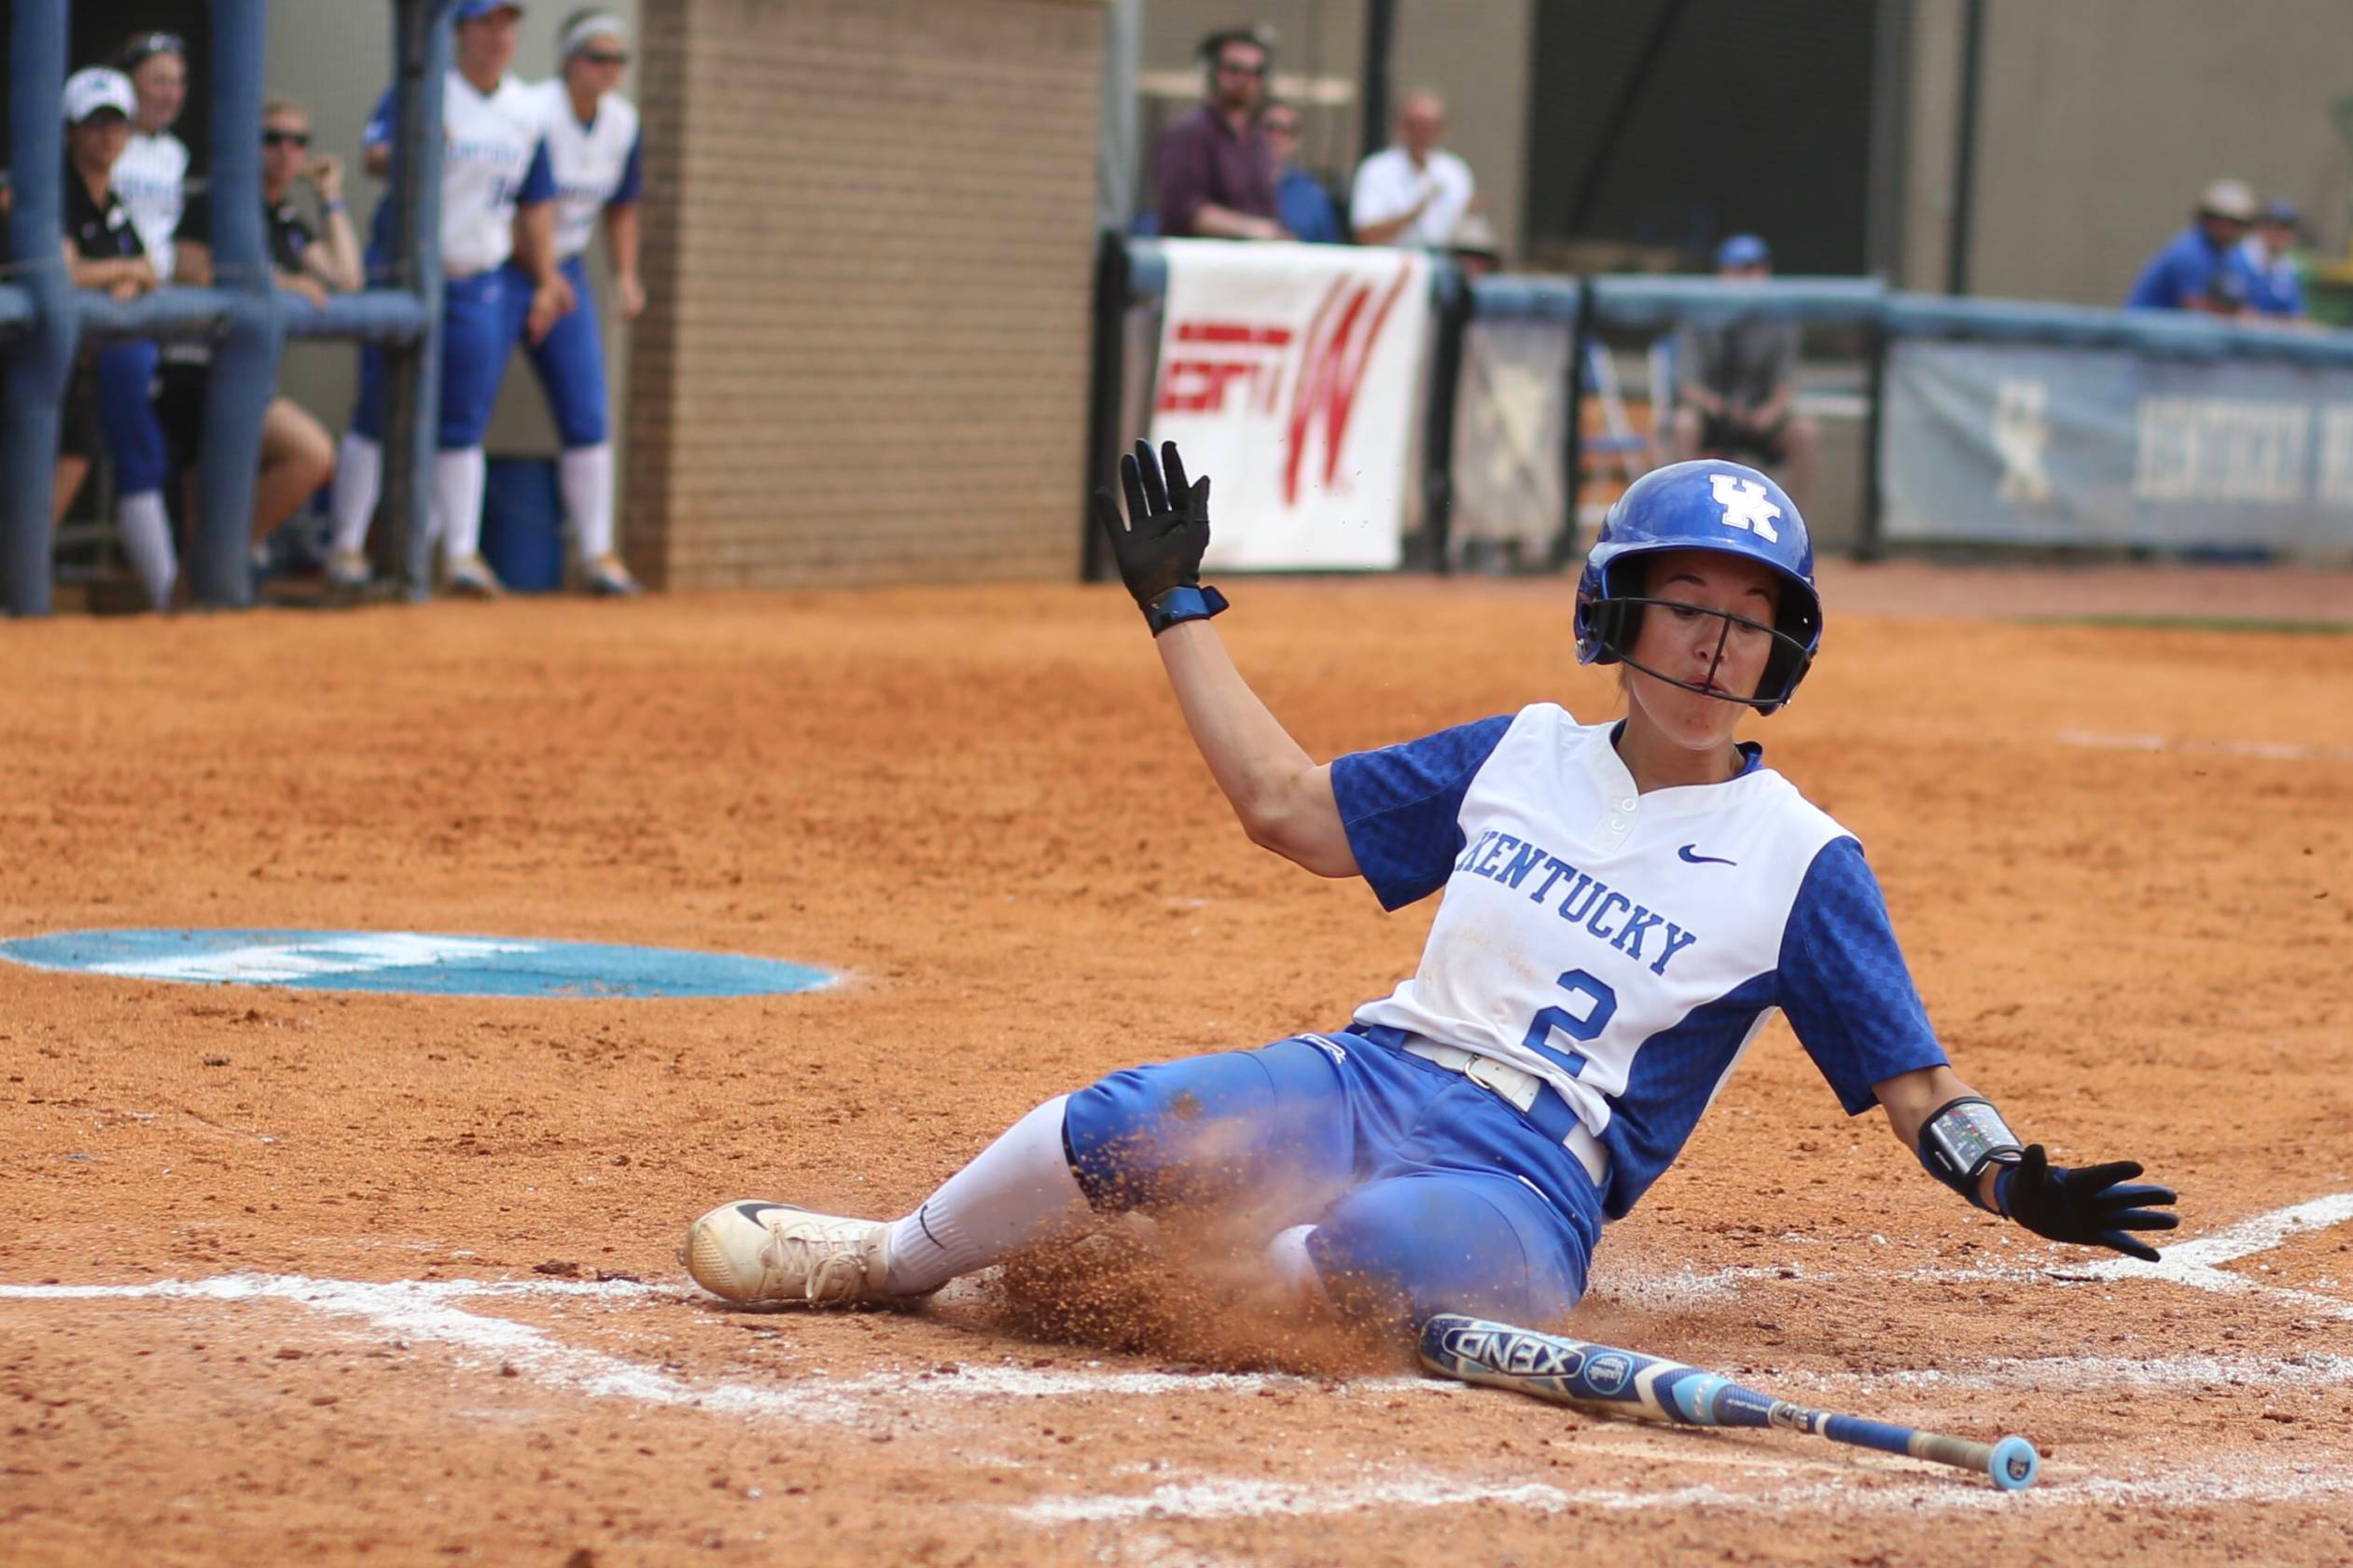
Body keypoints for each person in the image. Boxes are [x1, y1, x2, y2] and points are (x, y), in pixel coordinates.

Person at [680, 445, 2179, 1333]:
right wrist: (1177, 609)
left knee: (1357, 1261)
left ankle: (1099, 1298)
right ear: (1618, 610)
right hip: (1369, 1076)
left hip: (1528, 1178)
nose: (1715, 645)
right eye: (1687, 604)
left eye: (1749, 620)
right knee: (1125, 1124)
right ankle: (892, 1260)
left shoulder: (1803, 857)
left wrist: (2008, 1174)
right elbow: (1288, 811)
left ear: (1781, 654)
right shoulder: (1521, 753)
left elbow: (1917, 1083)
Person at [327, 0, 574, 597]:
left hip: (478, 277)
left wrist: (547, 278)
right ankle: (347, 546)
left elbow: (535, 201)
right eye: (484, 25)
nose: (497, 37)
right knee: (378, 408)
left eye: (507, 26)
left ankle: (459, 555)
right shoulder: (427, 88)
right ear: (460, 32)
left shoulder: (526, 110)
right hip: (408, 270)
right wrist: (413, 144)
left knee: (464, 419)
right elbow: (373, 154)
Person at [164, 95, 366, 563]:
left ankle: (210, 578)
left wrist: (329, 196)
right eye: (272, 139)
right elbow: (187, 268)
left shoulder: (285, 215)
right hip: (195, 372)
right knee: (310, 453)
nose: (286, 152)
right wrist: (281, 281)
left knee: (204, 520)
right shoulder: (218, 201)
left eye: (298, 142)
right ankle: (223, 558)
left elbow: (347, 276)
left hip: (248, 376)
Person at [506, 8, 647, 597]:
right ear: (568, 61)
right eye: (597, 57)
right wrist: (541, 278)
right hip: (502, 263)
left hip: (562, 270)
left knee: (589, 412)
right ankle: (439, 552)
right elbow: (515, 201)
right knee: (454, 409)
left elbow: (622, 204)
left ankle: (597, 554)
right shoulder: (534, 112)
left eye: (617, 59)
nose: (608, 70)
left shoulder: (622, 122)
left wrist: (626, 274)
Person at [55, 66, 177, 611]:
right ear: (70, 132)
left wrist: (123, 272)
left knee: (102, 453)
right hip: (43, 361)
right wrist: (120, 273)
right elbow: (64, 272)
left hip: (94, 362)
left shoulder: (116, 202)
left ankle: (166, 592)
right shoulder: (54, 192)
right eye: (95, 125)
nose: (108, 137)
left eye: (117, 126)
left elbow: (148, 269)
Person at [1660, 234, 1817, 506]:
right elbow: (1688, 386)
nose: (1748, 276)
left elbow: (1785, 386)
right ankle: (1682, 512)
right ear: (1722, 271)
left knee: (1804, 431)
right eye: (1739, 269)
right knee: (1682, 424)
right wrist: (1718, 407)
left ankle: (1793, 527)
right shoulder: (1698, 313)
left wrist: (1768, 414)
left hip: (1758, 418)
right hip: (1711, 414)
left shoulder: (1780, 317)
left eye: (1755, 268)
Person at [1153, 30, 1284, 241]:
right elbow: (1184, 209)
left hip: (1251, 265)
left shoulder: (1257, 138)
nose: (1245, 79)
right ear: (1213, 72)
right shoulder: (1189, 133)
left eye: (1256, 71)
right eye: (1234, 69)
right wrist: (1252, 229)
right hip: (1200, 264)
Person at [1349, 90, 1475, 250]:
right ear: (1399, 127)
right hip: (1390, 263)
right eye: (1415, 125)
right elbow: (1365, 234)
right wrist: (1413, 214)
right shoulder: (1376, 169)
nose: (1422, 134)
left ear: (1443, 130)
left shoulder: (1455, 171)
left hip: (1444, 261)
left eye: (1430, 127)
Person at [112, 30, 189, 283]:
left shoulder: (177, 153)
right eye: (159, 82)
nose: (172, 96)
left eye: (177, 82)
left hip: (159, 289)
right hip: (110, 284)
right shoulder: (103, 142)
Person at [2125, 179, 2256, 314]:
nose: (2227, 228)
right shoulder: (2190, 252)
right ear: (2206, 218)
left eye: (2236, 223)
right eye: (2219, 219)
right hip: (2146, 331)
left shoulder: (2227, 255)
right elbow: (2194, 307)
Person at [1260, 99, 1342, 245]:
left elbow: (1329, 252)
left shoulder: (1314, 195)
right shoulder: (1230, 182)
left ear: (1298, 140)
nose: (1277, 137)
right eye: (1270, 128)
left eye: (1288, 130)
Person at [2239, 199, 2306, 322]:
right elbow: (2237, 312)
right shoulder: (2240, 259)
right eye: (2273, 227)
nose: (2279, 234)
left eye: (2286, 228)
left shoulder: (2289, 268)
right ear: (2259, 228)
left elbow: (2296, 315)